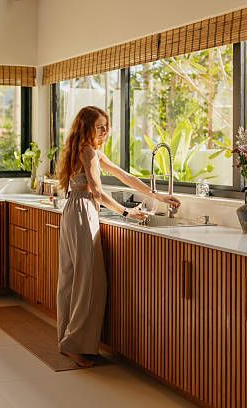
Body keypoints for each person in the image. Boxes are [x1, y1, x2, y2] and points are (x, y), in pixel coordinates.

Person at [55, 106, 181, 368]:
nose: (104, 130)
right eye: (100, 126)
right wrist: (126, 211)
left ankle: (67, 339)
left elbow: (124, 176)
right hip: (83, 211)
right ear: (87, 126)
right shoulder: (88, 151)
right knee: (89, 283)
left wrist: (156, 196)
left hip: (72, 210)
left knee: (72, 278)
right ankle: (76, 345)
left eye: (106, 126)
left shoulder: (86, 149)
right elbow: (97, 192)